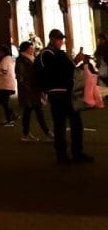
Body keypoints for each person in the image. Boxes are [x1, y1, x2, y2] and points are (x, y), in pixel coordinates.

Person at [37, 28, 93, 164]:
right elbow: (58, 71)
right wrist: (74, 61)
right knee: (62, 124)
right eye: (59, 39)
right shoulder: (47, 54)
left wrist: (76, 61)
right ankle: (66, 154)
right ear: (52, 39)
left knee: (71, 123)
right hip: (58, 93)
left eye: (61, 39)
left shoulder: (54, 54)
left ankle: (73, 153)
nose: (61, 42)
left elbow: (66, 69)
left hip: (65, 92)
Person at [15, 40, 51, 142]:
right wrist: (27, 87)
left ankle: (26, 134)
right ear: (26, 49)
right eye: (31, 48)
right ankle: (47, 133)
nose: (33, 49)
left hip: (33, 89)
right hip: (29, 90)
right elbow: (20, 76)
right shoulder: (22, 60)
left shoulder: (31, 58)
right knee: (38, 111)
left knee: (28, 112)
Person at [0, 43, 17, 126]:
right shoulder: (11, 59)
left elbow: (4, 71)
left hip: (4, 85)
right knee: (3, 102)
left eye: (0, 52)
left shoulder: (5, 60)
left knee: (3, 102)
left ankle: (9, 119)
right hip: (8, 84)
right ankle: (11, 116)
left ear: (3, 52)